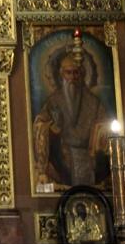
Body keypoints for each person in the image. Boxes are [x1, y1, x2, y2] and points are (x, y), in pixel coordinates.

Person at [33, 53, 110, 187]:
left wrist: (100, 131)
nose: (72, 77)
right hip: (63, 156)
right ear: (61, 75)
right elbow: (40, 125)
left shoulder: (93, 102)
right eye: (68, 73)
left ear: (82, 74)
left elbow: (106, 125)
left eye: (76, 73)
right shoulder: (54, 101)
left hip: (90, 157)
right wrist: (52, 127)